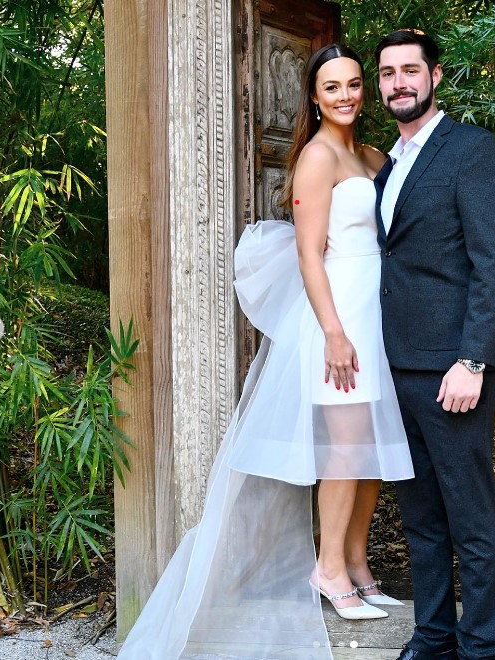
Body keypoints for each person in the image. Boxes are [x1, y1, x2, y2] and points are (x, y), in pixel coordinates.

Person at [116, 43, 413, 660]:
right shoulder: (316, 157)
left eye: (354, 84)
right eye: (332, 87)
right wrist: (332, 330)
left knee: (366, 453)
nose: (347, 96)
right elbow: (310, 253)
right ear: (314, 96)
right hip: (338, 320)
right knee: (345, 450)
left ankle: (356, 566)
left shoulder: (375, 156)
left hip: (375, 313)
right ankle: (327, 569)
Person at [372, 29, 495, 660]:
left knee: (469, 514)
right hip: (395, 364)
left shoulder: (470, 149)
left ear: (434, 76)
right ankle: (431, 636)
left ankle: (481, 644)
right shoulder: (389, 164)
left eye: (410, 70)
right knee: (421, 517)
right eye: (387, 73)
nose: (397, 82)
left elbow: (493, 262)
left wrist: (472, 360)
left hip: (453, 367)